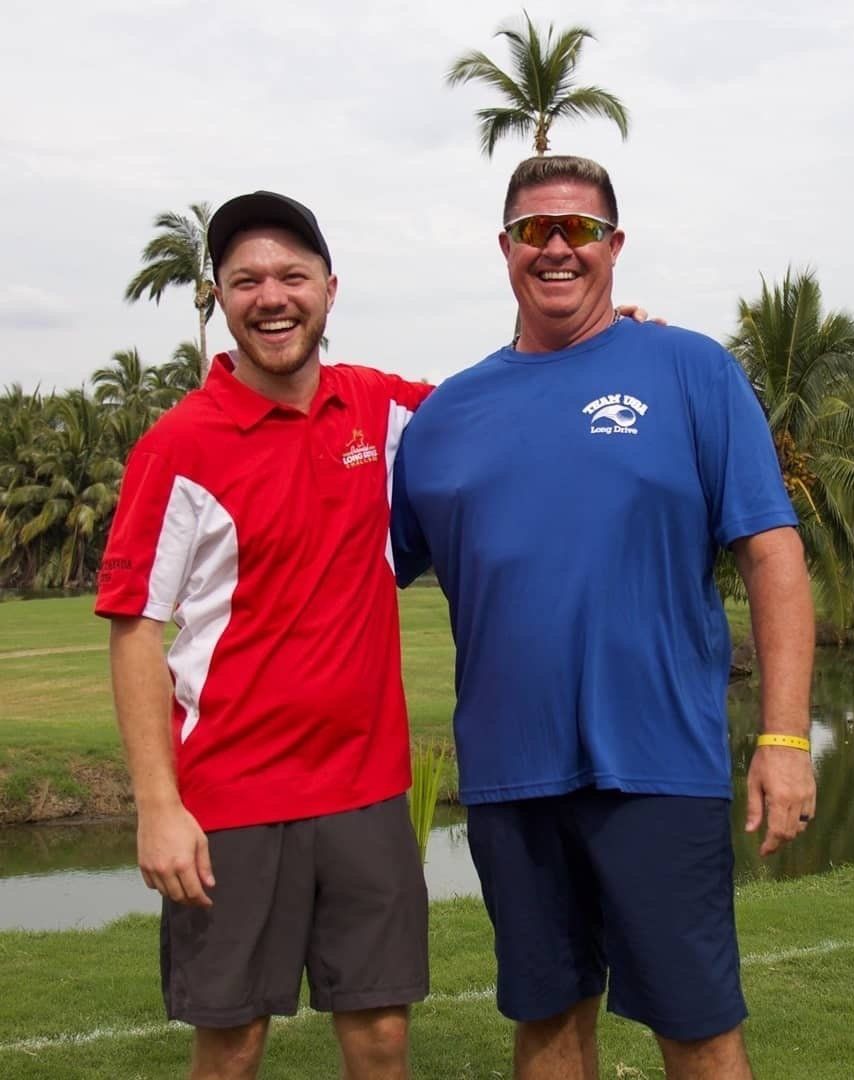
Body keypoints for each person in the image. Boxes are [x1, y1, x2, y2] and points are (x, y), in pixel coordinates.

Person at [391, 156, 817, 1079]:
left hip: (659, 765)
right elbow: (357, 570)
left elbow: (773, 554)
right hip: (511, 778)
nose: (556, 246)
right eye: (533, 229)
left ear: (614, 246)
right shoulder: (442, 420)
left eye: (577, 229)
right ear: (503, 248)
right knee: (548, 1022)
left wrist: (784, 738)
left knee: (701, 1031)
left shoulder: (690, 369)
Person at [95, 191, 433, 1080]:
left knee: (382, 1035)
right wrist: (158, 807)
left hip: (364, 790)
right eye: (246, 279)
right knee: (233, 1044)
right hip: (231, 797)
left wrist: (597, 344)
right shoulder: (179, 445)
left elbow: (508, 406)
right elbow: (135, 630)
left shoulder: (380, 408)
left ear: (329, 288)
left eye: (292, 275)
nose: (271, 296)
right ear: (218, 297)